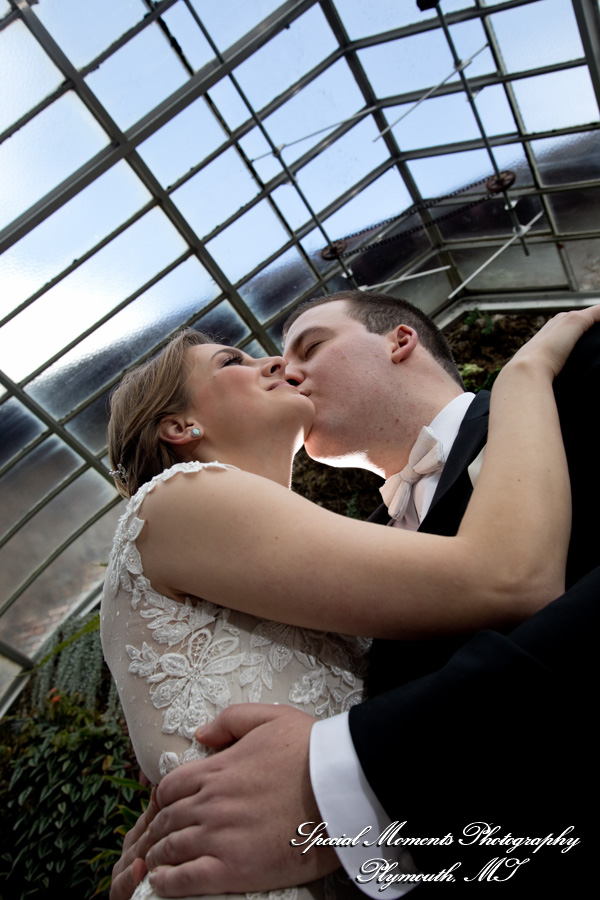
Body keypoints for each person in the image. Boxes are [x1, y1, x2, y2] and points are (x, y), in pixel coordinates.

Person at [105, 296, 600, 900]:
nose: (282, 368)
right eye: (238, 358)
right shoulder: (187, 505)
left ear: (399, 341)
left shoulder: (577, 381)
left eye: (308, 348)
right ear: (180, 427)